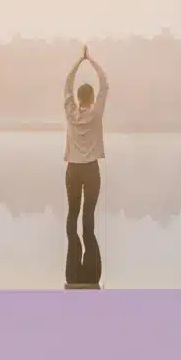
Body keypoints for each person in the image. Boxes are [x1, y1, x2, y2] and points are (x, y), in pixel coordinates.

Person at [63, 45, 109, 240]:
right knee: (88, 213)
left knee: (72, 212)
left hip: (73, 169)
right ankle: (90, 254)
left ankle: (72, 254)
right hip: (91, 169)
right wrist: (90, 60)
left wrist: (79, 62)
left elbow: (67, 85)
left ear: (78, 98)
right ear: (92, 97)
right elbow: (104, 84)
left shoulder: (71, 113)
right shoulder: (96, 113)